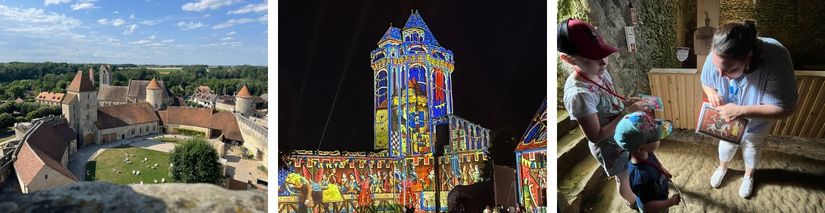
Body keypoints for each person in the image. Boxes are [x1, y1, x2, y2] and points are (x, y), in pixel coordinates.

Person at [701, 20, 797, 198]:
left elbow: (786, 109)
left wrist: (740, 110)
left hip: (757, 122)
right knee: (726, 146)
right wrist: (712, 92)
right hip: (728, 121)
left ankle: (749, 175)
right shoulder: (717, 52)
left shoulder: (776, 58)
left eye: (730, 69)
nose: (721, 75)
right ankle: (723, 167)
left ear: (748, 57)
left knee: (752, 146)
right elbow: (706, 82)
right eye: (717, 67)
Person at [559, 18, 648, 209]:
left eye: (603, 54)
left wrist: (625, 102)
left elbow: (610, 99)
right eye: (592, 57)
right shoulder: (579, 95)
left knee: (632, 166)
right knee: (622, 178)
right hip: (608, 145)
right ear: (568, 59)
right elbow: (595, 135)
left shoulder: (599, 70)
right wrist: (626, 112)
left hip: (621, 132)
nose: (603, 63)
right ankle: (635, 203)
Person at [614, 111, 681, 212]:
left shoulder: (645, 153)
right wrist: (670, 202)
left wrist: (663, 170)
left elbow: (655, 162)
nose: (659, 139)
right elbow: (648, 207)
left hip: (658, 192)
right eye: (656, 137)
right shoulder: (642, 178)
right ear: (641, 148)